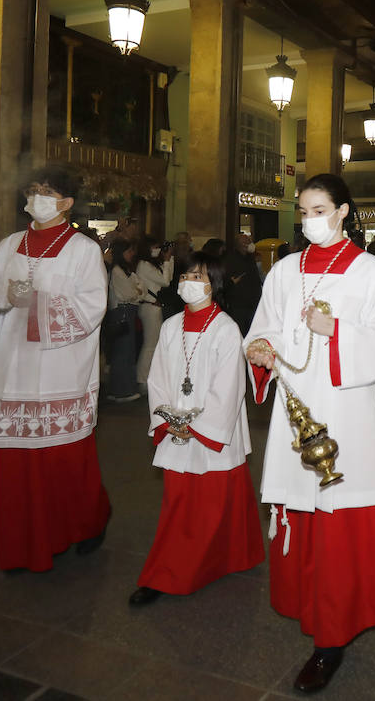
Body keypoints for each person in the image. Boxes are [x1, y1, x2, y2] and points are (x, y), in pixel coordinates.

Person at [244, 174, 375, 694]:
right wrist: (259, 351)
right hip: (297, 411)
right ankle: (308, 609)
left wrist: (336, 333)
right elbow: (264, 326)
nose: (308, 219)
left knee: (338, 524)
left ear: (343, 211)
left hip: (346, 416)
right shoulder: (283, 270)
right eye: (303, 210)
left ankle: (332, 639)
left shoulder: (371, 272)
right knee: (303, 512)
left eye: (318, 208)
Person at [0, 165, 112, 572]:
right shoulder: (9, 246)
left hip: (62, 371)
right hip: (15, 367)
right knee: (19, 466)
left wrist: (22, 298)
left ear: (67, 203)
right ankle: (28, 546)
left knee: (66, 463)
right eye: (34, 189)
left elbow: (91, 308)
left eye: (47, 191)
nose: (37, 196)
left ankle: (87, 524)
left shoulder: (83, 249)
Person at [131, 251, 265, 606]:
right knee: (178, 503)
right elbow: (157, 378)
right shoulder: (172, 325)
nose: (190, 283)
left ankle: (216, 561)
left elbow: (231, 387)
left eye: (200, 278)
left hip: (209, 431)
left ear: (215, 285)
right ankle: (167, 572)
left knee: (213, 505)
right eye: (187, 276)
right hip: (176, 428)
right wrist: (166, 418)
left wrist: (200, 427)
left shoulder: (226, 328)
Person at [105, 238, 146, 402]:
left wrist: (137, 292)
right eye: (129, 251)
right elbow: (128, 294)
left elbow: (141, 288)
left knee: (126, 351)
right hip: (122, 312)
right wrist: (137, 293)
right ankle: (121, 390)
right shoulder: (117, 271)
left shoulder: (126, 270)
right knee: (122, 352)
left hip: (127, 311)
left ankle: (124, 388)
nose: (132, 254)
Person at [135, 237, 176, 395]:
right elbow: (165, 282)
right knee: (150, 345)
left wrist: (169, 259)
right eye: (155, 246)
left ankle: (148, 377)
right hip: (149, 307)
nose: (158, 249)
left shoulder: (151, 264)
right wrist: (166, 260)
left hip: (153, 307)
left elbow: (169, 278)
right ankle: (142, 379)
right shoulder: (144, 265)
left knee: (153, 344)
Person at [221, 232, 263, 336]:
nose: (250, 243)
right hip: (238, 305)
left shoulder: (250, 258)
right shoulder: (230, 259)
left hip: (253, 304)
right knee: (239, 333)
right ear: (241, 245)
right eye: (247, 241)